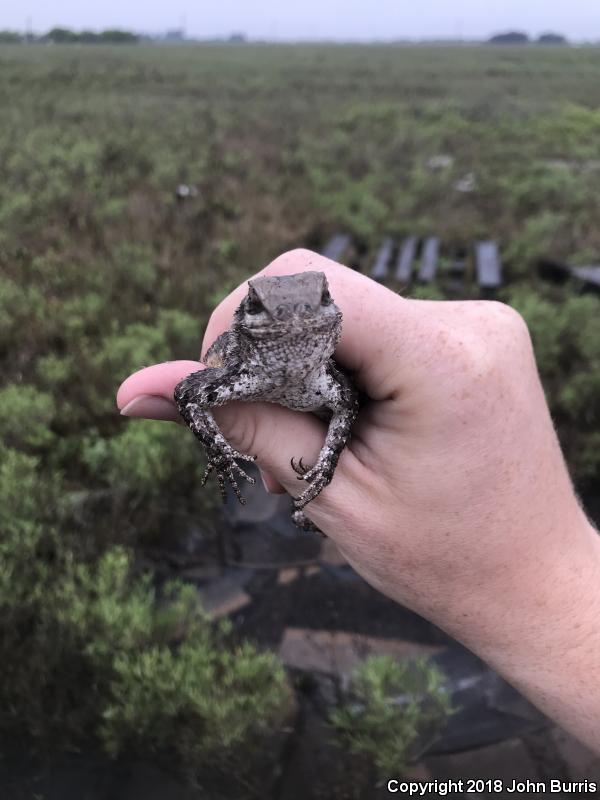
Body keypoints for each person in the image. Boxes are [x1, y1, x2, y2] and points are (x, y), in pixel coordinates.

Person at [117, 249, 600, 751]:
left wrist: (324, 467)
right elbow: (195, 396)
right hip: (256, 373)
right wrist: (223, 450)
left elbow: (344, 406)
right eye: (262, 309)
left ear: (332, 311)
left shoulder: (327, 376)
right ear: (246, 316)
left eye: (320, 302)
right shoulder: (239, 366)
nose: (298, 319)